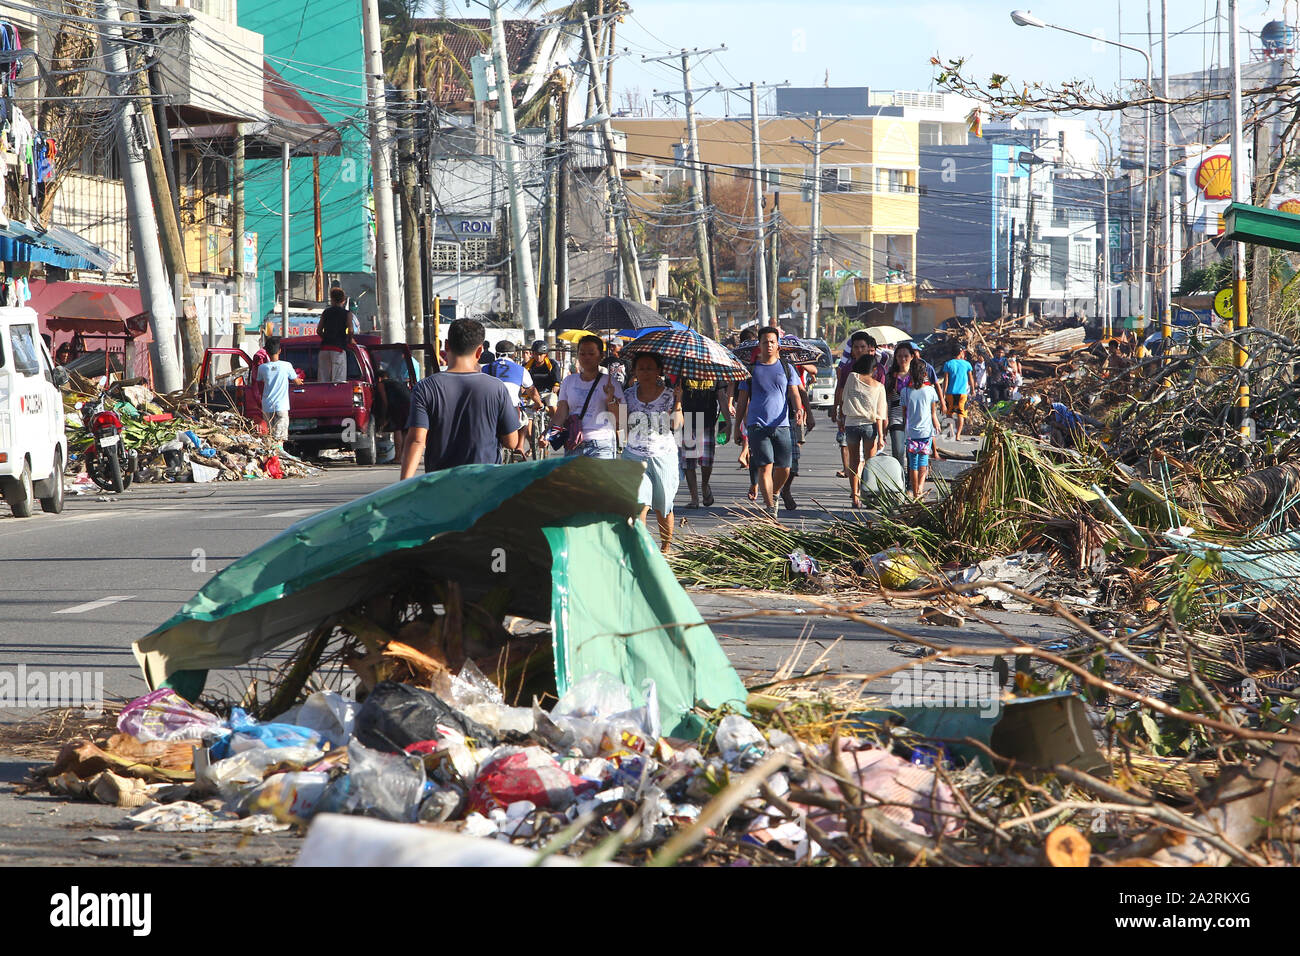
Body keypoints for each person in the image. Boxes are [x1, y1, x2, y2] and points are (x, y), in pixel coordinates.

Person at [400, 318, 521, 477]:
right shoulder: (497, 388)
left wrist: (403, 486)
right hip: (484, 484)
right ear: (479, 351)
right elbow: (511, 442)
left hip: (441, 484)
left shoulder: (425, 388)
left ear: (446, 345)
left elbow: (416, 440)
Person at [733, 326, 805, 517]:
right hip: (757, 425)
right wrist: (736, 426)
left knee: (785, 468)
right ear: (760, 344)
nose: (769, 345)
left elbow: (795, 393)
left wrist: (799, 409)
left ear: (778, 345)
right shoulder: (750, 370)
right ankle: (770, 507)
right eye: (765, 342)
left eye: (773, 342)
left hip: (781, 424)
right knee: (765, 466)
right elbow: (741, 401)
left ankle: (774, 493)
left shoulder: (786, 368)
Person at [622, 352, 684, 552]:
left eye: (650, 368)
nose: (645, 372)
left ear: (659, 371)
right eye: (641, 368)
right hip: (634, 455)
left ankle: (665, 549)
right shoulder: (628, 395)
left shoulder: (669, 394)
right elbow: (622, 424)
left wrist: (678, 401)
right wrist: (612, 403)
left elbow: (676, 425)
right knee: (639, 502)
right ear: (634, 371)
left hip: (663, 456)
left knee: (663, 506)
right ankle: (643, 548)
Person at [554, 335, 623, 459]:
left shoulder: (611, 383)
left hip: (601, 444)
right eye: (582, 353)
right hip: (573, 442)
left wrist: (611, 399)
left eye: (591, 354)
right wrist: (549, 432)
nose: (586, 357)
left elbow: (621, 420)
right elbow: (561, 413)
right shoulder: (568, 381)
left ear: (601, 356)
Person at [840, 352, 888, 509]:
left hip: (851, 424)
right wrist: (881, 436)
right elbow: (880, 414)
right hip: (869, 426)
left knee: (853, 461)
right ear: (874, 369)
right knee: (870, 462)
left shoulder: (852, 377)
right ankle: (869, 496)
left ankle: (855, 496)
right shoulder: (879, 386)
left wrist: (841, 418)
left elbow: (844, 397)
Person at [485, 340, 542, 458]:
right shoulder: (521, 370)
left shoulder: (485, 368)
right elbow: (531, 391)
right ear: (514, 355)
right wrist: (539, 403)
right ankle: (520, 447)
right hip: (511, 409)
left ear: (496, 354)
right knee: (525, 420)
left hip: (489, 409)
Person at [681, 377, 729, 508]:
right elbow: (677, 394)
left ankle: (704, 484)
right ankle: (694, 498)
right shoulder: (684, 372)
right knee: (689, 462)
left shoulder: (715, 373)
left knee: (706, 461)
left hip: (707, 421)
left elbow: (722, 397)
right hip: (688, 420)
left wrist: (727, 422)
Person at [831, 331, 874, 479]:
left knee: (870, 459)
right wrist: (837, 411)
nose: (859, 350)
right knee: (854, 459)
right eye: (856, 347)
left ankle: (867, 488)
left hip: (871, 420)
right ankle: (855, 495)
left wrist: (882, 423)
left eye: (862, 346)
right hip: (851, 420)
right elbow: (841, 391)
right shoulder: (847, 369)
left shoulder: (877, 369)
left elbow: (882, 395)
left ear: (869, 348)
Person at [901, 360, 942, 499]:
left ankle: (915, 492)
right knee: (923, 461)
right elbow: (933, 412)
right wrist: (935, 422)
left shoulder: (905, 391)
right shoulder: (930, 390)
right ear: (925, 374)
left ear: (910, 373)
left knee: (913, 463)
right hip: (926, 432)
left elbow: (904, 413)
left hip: (911, 432)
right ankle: (920, 488)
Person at [256, 337, 304, 449]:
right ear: (280, 351)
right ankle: (277, 458)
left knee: (270, 436)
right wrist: (300, 380)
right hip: (281, 407)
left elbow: (259, 383)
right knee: (279, 439)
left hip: (267, 406)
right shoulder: (286, 365)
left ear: (266, 352)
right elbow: (296, 381)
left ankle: (273, 457)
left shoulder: (262, 368)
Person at [885, 343, 916, 469]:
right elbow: (886, 400)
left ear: (912, 357)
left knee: (912, 452)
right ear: (895, 358)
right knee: (898, 450)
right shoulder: (890, 377)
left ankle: (910, 482)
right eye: (899, 356)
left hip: (913, 418)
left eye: (906, 356)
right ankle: (900, 479)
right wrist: (884, 419)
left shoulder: (917, 376)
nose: (903, 359)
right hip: (895, 416)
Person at [316, 288, 355, 383]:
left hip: (324, 348)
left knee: (323, 379)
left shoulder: (326, 312)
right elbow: (350, 330)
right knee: (338, 380)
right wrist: (349, 340)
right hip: (338, 348)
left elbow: (319, 330)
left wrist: (326, 338)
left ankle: (323, 397)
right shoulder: (347, 314)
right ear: (344, 300)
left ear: (332, 299)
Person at [374, 367, 412, 462]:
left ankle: (397, 457)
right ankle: (403, 457)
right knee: (405, 430)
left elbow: (384, 401)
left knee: (397, 429)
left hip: (398, 406)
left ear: (379, 378)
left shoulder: (381, 384)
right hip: (411, 404)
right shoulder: (397, 382)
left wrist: (383, 417)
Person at [939, 346, 975, 440]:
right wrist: (972, 389)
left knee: (949, 413)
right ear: (960, 353)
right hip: (962, 393)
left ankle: (951, 431)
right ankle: (958, 435)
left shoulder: (948, 364)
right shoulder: (967, 364)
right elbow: (970, 378)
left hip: (950, 393)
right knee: (960, 414)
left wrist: (943, 393)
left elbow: (945, 380)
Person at [526, 340, 562, 409]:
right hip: (534, 394)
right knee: (528, 412)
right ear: (532, 354)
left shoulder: (552, 364)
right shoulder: (527, 366)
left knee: (552, 404)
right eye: (536, 354)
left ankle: (555, 419)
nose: (538, 357)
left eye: (540, 354)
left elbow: (557, 378)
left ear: (545, 354)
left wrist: (556, 385)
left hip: (549, 392)